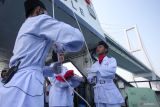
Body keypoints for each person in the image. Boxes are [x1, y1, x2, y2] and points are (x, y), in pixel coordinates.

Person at [0, 0, 84, 107]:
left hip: (14, 81)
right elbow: (78, 38)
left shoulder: (25, 26)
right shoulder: (40, 19)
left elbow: (28, 66)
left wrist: (51, 70)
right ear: (39, 10)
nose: (47, 16)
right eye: (46, 13)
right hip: (26, 85)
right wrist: (61, 47)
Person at [87, 41, 124, 107]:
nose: (97, 48)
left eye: (100, 47)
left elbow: (111, 71)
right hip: (98, 91)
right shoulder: (94, 65)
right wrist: (90, 77)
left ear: (106, 49)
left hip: (109, 90)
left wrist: (96, 71)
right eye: (97, 47)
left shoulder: (111, 60)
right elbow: (91, 79)